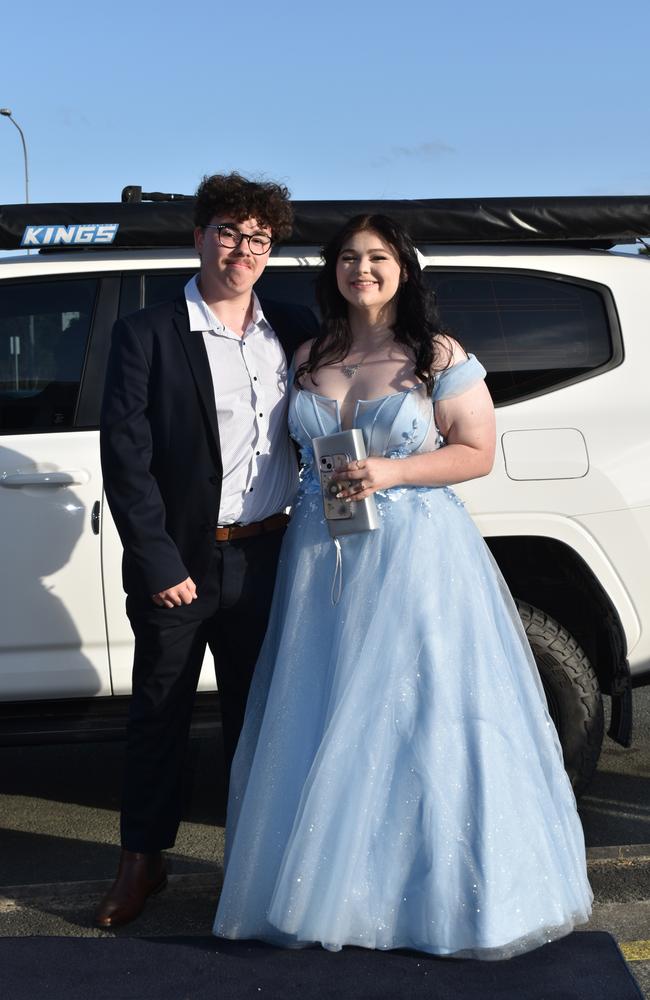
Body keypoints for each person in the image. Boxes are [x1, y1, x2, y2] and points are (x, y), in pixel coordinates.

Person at [213, 213, 592, 958]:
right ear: (333, 272)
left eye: (378, 256)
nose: (363, 269)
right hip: (323, 556)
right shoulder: (309, 353)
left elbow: (476, 452)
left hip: (417, 556)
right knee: (327, 711)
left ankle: (442, 898)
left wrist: (393, 470)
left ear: (404, 268)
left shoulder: (437, 353)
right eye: (349, 258)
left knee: (424, 711)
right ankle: (336, 894)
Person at [96, 172, 317, 928]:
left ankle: (251, 867)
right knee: (158, 715)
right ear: (198, 236)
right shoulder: (148, 333)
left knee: (258, 720)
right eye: (228, 231)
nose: (242, 249)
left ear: (270, 246)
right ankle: (142, 860)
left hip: (269, 555)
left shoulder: (292, 326)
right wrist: (159, 562)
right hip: (181, 564)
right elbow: (126, 457)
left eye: (258, 237)